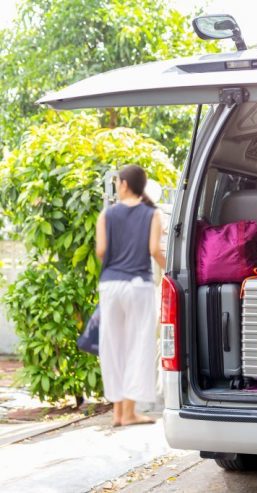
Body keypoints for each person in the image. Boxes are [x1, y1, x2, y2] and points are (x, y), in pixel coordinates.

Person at [95, 165, 166, 427]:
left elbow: (101, 250)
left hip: (111, 285)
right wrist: (171, 267)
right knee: (138, 346)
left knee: (113, 347)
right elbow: (153, 251)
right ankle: (129, 412)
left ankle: (117, 412)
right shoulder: (152, 214)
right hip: (138, 285)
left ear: (124, 184)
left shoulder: (107, 215)